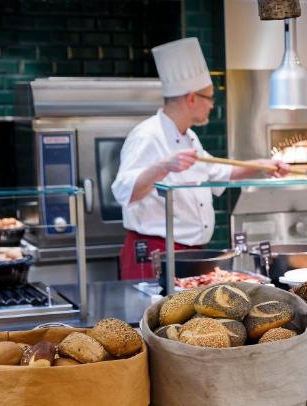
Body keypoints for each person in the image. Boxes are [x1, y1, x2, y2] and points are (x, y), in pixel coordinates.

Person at [112, 37, 288, 280]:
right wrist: (163, 166)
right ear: (192, 98)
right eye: (210, 98)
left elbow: (220, 173)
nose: (212, 106)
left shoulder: (189, 137)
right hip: (157, 255)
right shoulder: (146, 135)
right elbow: (124, 191)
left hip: (189, 255)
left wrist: (263, 165)